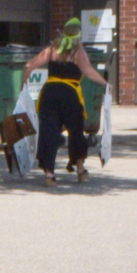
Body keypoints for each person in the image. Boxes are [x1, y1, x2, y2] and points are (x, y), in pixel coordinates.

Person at [34, 21, 105, 187]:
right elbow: (89, 72)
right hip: (69, 95)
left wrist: (24, 82)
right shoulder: (78, 52)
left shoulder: (51, 50)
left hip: (49, 94)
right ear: (78, 35)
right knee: (76, 132)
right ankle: (80, 172)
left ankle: (49, 174)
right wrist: (105, 84)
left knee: (49, 133)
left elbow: (30, 65)